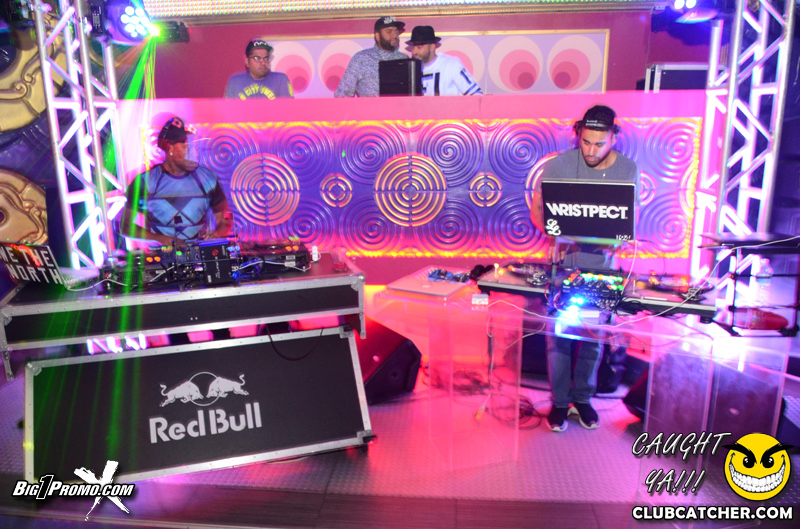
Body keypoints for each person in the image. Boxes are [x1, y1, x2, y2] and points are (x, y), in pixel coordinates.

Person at [531, 105, 639, 432]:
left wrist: (620, 239)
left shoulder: (627, 169)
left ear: (613, 138)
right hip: (565, 262)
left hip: (604, 267)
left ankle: (582, 399)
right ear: (578, 134)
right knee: (560, 336)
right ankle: (559, 402)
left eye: (599, 144)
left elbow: (629, 218)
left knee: (593, 336)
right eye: (586, 142)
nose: (591, 151)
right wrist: (553, 226)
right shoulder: (559, 165)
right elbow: (538, 210)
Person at [120, 116, 233, 246]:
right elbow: (125, 226)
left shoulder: (207, 178)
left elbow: (225, 221)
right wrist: (161, 239)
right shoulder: (144, 182)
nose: (189, 147)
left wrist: (215, 235)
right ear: (170, 148)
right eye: (184, 142)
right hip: (160, 256)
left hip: (199, 255)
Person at [334, 16, 408, 97]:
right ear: (377, 36)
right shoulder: (361, 58)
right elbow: (342, 94)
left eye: (396, 31)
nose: (394, 35)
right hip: (368, 105)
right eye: (389, 31)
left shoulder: (405, 59)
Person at [408, 26, 482, 96]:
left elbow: (476, 94)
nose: (414, 52)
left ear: (432, 47)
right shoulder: (411, 70)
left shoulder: (451, 65)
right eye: (413, 48)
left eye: (419, 47)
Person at [224, 39, 294, 100]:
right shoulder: (235, 82)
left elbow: (288, 108)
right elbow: (229, 109)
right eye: (257, 58)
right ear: (247, 61)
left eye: (266, 58)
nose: (263, 62)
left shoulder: (280, 80)